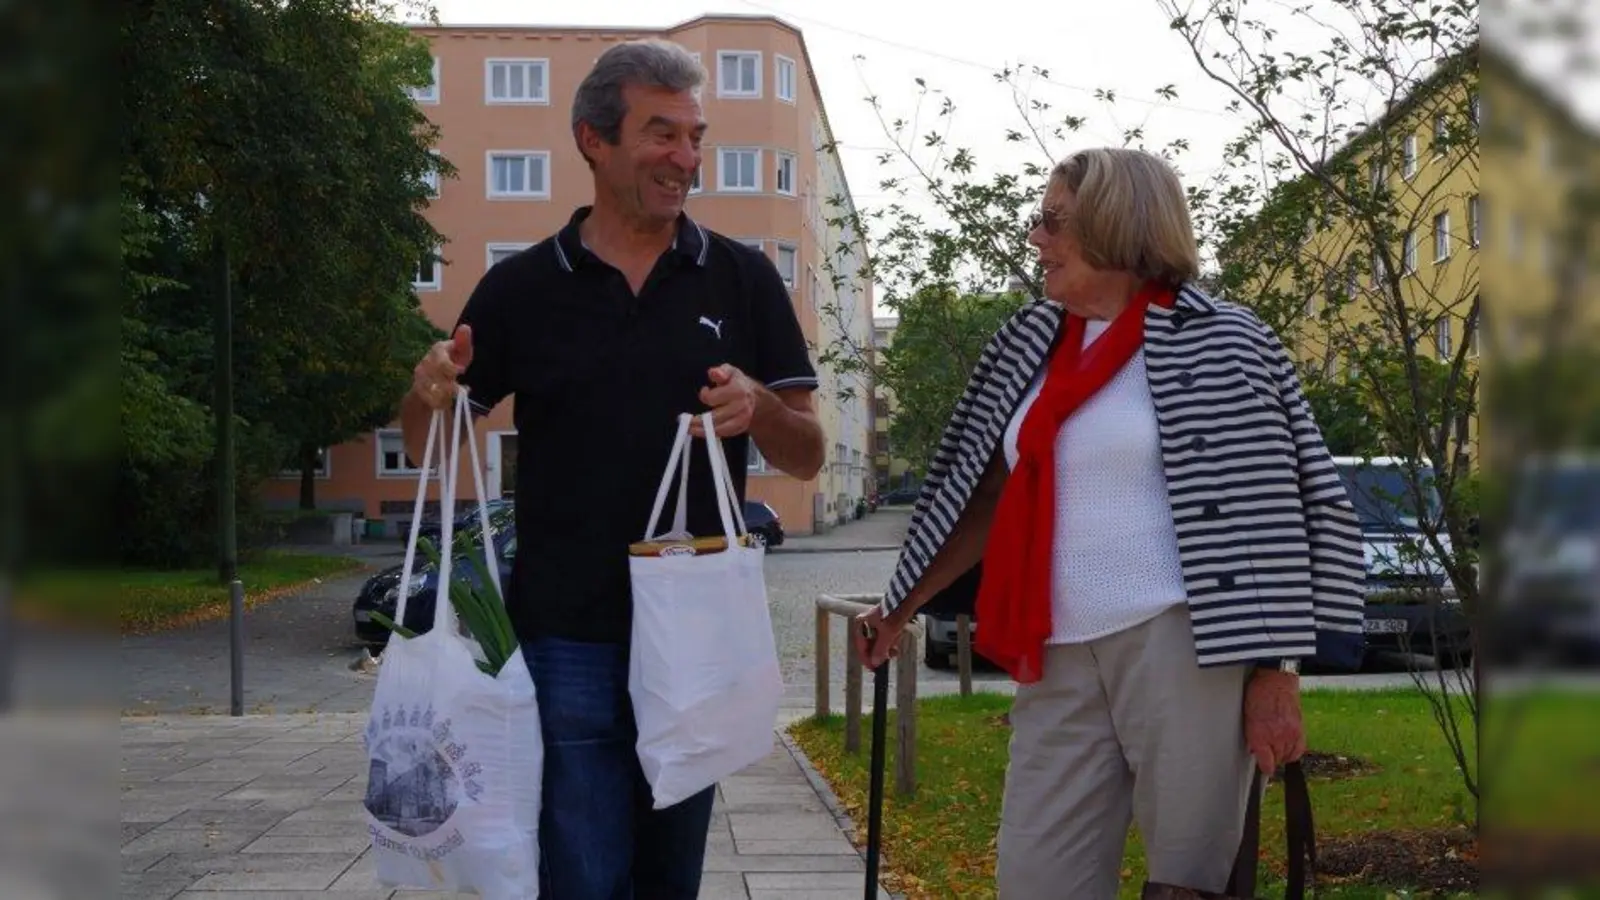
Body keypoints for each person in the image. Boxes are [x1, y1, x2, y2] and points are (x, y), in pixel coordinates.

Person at [854, 147, 1366, 898]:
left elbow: (1282, 510)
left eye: (1054, 220)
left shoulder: (1225, 340)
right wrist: (899, 607)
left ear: (1117, 223)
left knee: (1191, 882)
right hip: (1056, 647)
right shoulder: (1025, 341)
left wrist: (1276, 672)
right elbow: (977, 496)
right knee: (1036, 877)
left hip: (1188, 644)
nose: (1036, 237)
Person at [402, 39, 825, 900]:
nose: (686, 160)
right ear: (593, 140)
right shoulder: (523, 288)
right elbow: (427, 451)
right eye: (661, 134)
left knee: (672, 877)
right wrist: (428, 394)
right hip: (568, 634)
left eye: (695, 137)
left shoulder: (741, 278)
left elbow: (808, 454)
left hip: (699, 635)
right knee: (584, 876)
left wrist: (764, 408)